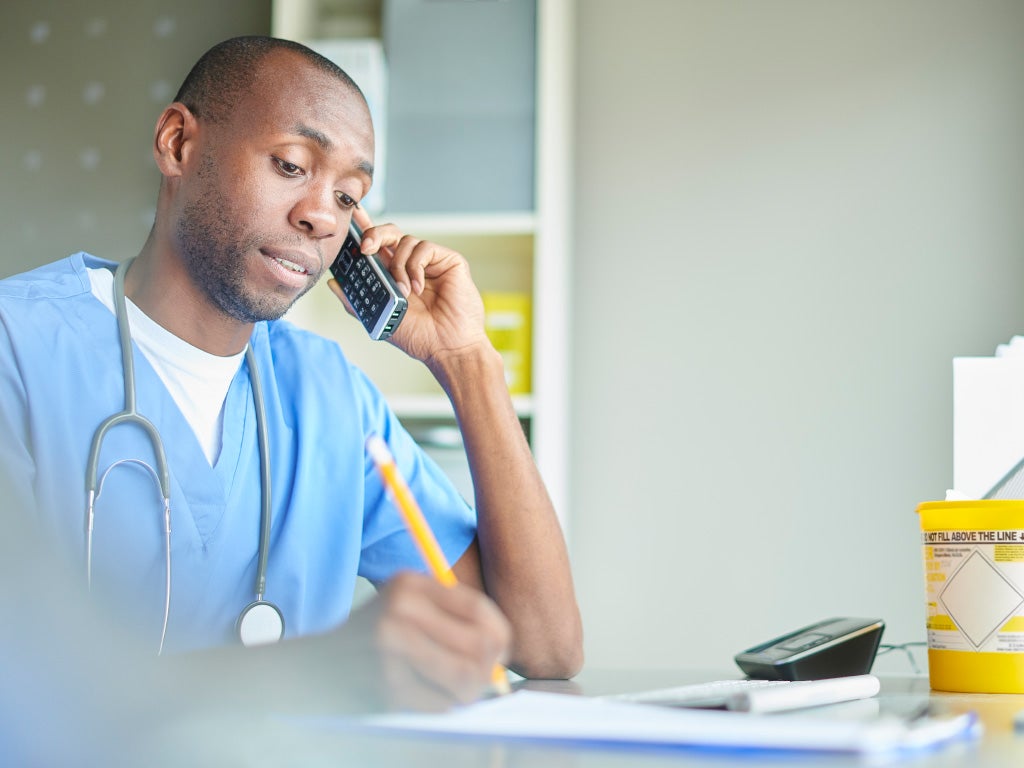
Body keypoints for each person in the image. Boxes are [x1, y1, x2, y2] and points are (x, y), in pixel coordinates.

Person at [0, 35, 582, 718]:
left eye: (348, 195)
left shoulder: (329, 399)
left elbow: (542, 646)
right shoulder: (21, 348)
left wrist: (468, 361)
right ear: (178, 144)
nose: (319, 215)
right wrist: (317, 670)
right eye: (289, 164)